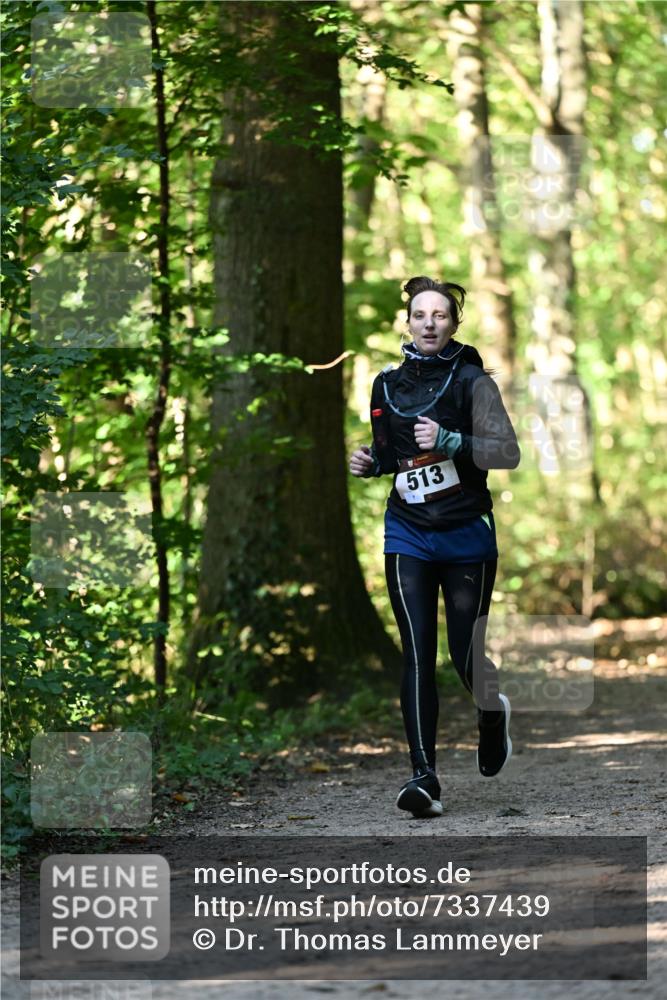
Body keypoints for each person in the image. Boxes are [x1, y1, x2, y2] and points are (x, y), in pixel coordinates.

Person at [349, 275, 520, 818]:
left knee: (463, 653)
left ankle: (492, 712)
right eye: (420, 315)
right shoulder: (385, 385)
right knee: (418, 651)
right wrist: (369, 463)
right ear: (408, 322)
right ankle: (424, 777)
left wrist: (451, 442)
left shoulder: (474, 382)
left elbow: (506, 453)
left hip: (467, 532)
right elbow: (390, 454)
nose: (429, 323)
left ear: (452, 324)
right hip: (408, 532)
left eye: (440, 316)